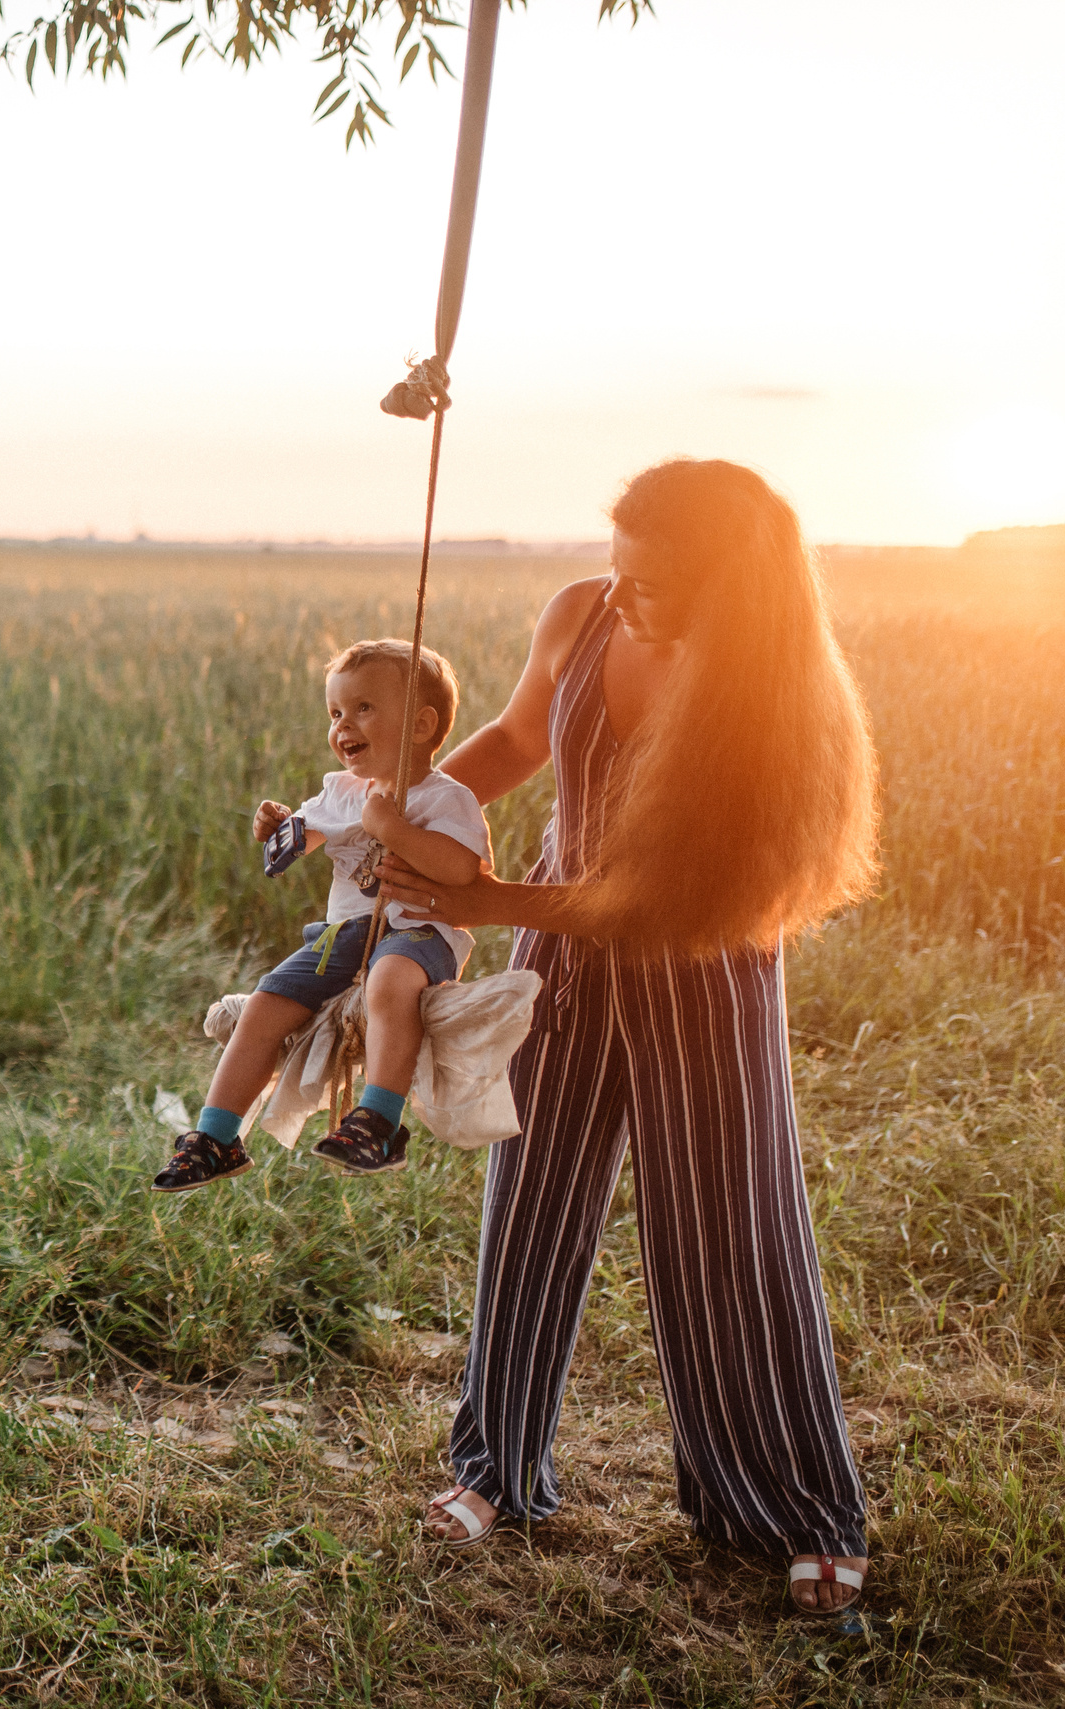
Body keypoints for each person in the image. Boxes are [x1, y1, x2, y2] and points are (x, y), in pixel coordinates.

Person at [379, 459, 876, 1616]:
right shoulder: (584, 613)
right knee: (529, 1205)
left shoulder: (768, 693)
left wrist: (486, 900)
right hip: (559, 947)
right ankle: (494, 1470)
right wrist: (390, 819)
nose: (622, 595)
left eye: (651, 583)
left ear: (731, 593)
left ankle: (797, 1508)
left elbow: (655, 901)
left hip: (701, 960)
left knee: (727, 1233)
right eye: (617, 569)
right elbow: (515, 737)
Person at [153, 639, 490, 1186]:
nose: (342, 725)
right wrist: (274, 826)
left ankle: (379, 1123)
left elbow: (462, 871)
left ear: (421, 724)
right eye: (335, 713)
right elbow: (300, 837)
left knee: (389, 982)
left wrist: (393, 830)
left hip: (418, 932)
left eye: (363, 708)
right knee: (265, 1002)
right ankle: (216, 1137)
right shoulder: (342, 791)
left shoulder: (445, 798)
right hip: (345, 934)